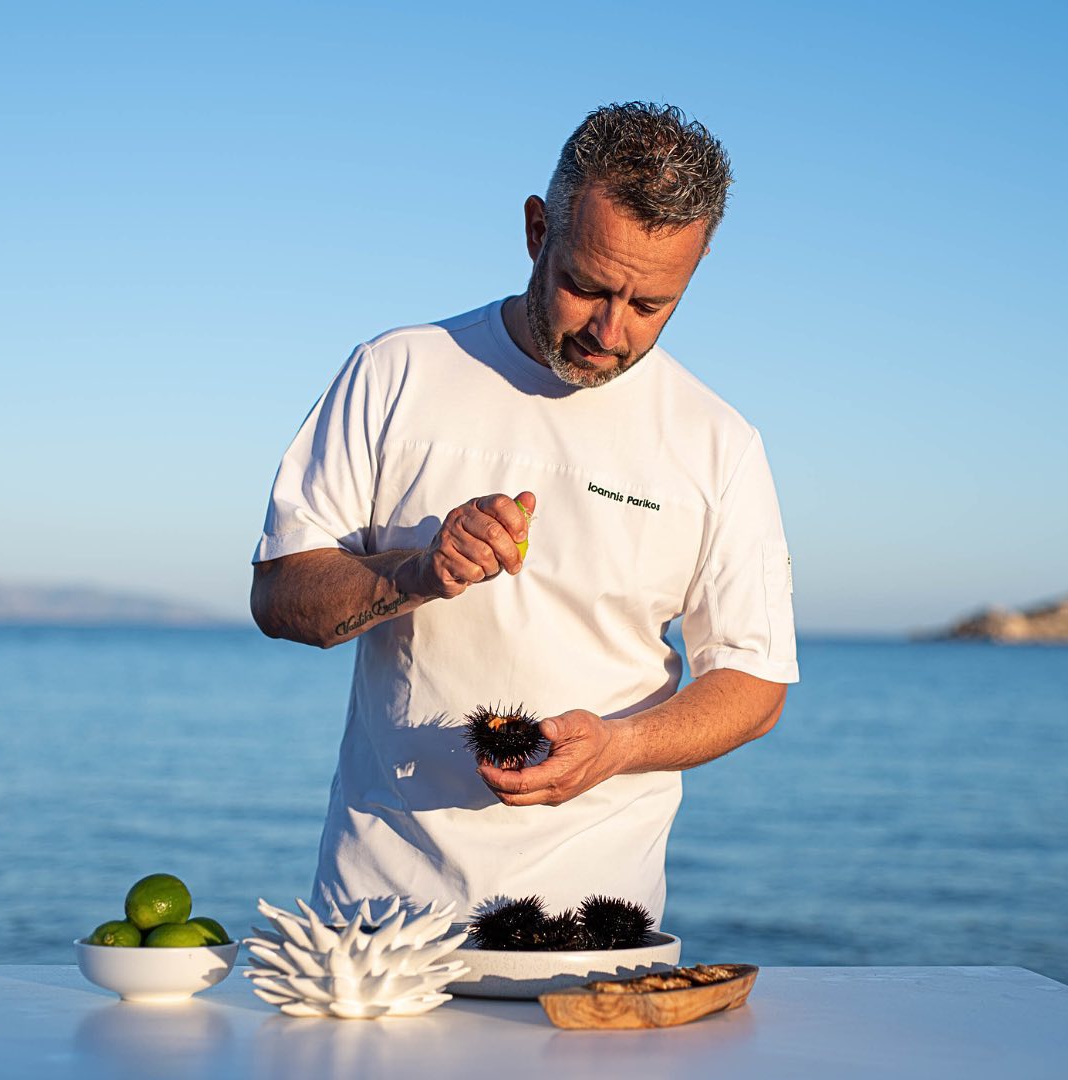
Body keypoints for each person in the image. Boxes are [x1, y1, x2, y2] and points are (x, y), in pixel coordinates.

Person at [251, 102, 798, 925]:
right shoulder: (396, 371)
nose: (611, 332)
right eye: (587, 286)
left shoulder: (718, 441)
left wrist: (621, 747)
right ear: (538, 229)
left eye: (651, 305)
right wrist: (416, 570)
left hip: (596, 928)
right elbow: (280, 600)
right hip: (378, 917)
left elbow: (754, 683)